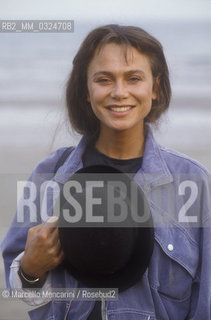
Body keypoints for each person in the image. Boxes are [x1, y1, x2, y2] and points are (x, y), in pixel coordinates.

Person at [1, 24, 211, 320]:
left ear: (155, 87)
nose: (119, 92)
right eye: (104, 79)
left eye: (134, 78)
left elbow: (206, 302)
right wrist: (30, 269)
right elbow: (18, 291)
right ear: (86, 90)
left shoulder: (193, 183)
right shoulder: (48, 176)